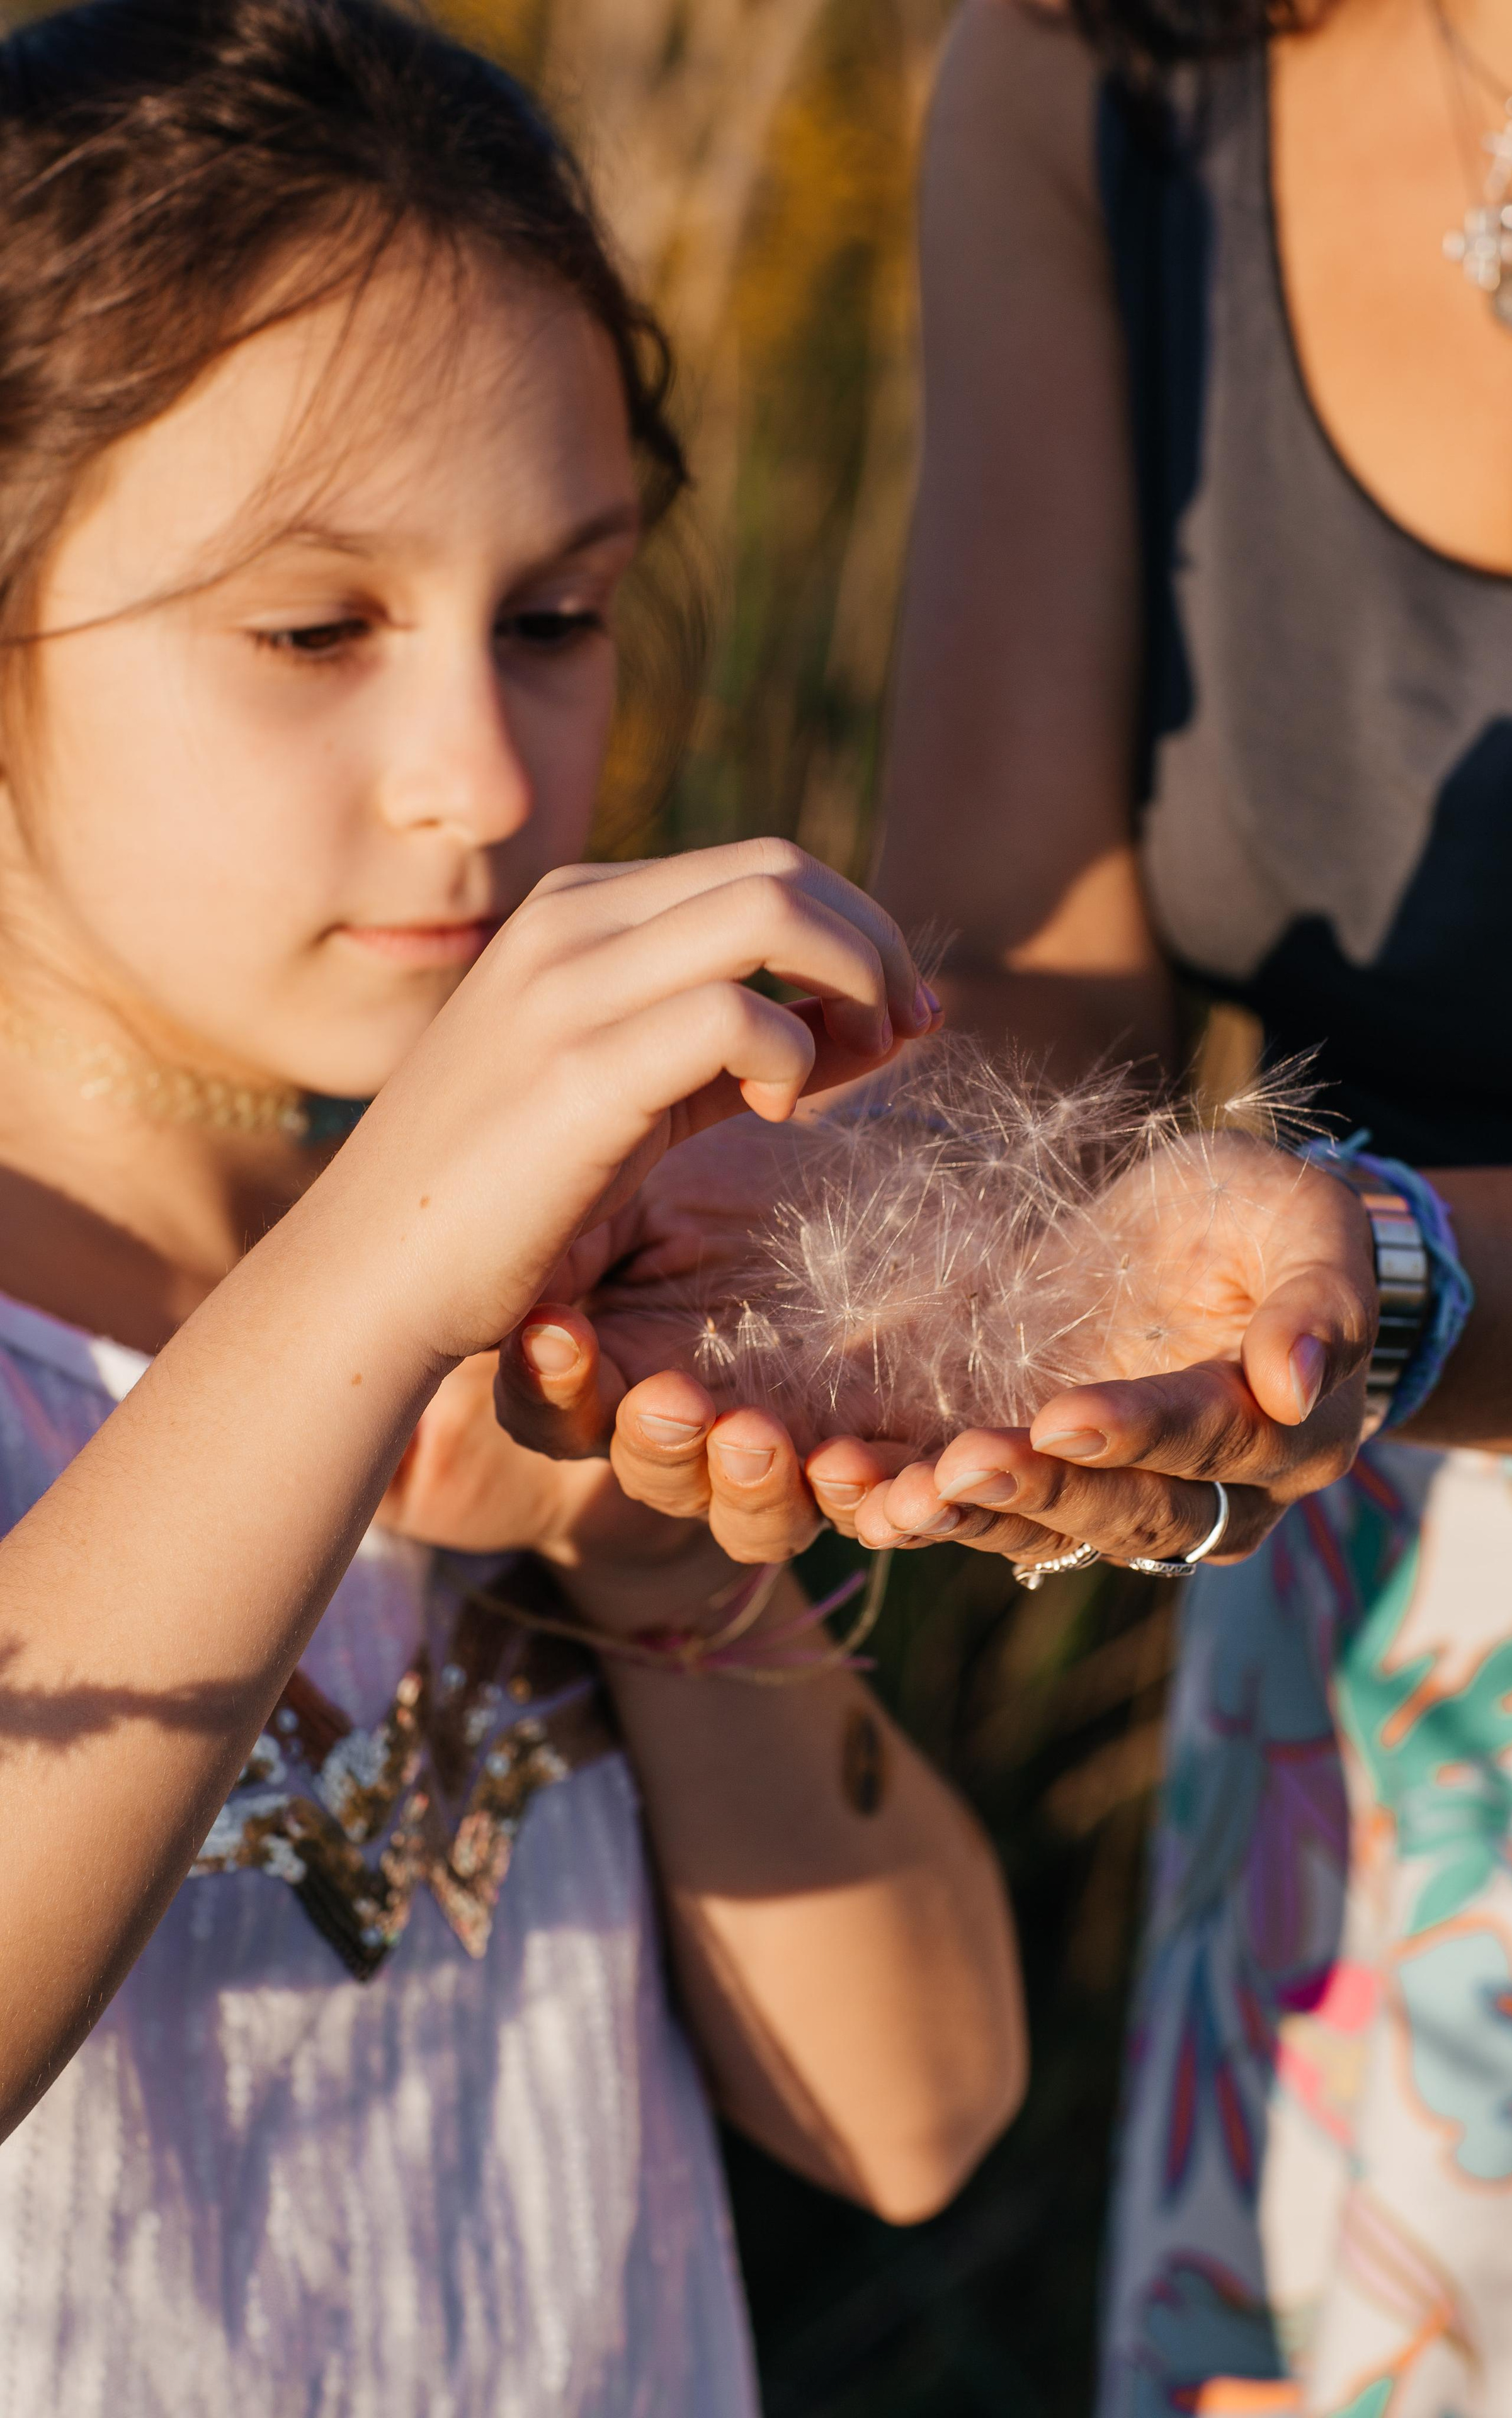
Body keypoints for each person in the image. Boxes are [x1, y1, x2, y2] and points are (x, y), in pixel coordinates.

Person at [0, 3, 1028, 2409]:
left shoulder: (544, 1299)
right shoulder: (397, 1268)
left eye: (556, 621)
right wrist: (364, 1278)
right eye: (311, 628)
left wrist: (668, 1558)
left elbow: (924, 2111)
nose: (478, 776)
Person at [822, 0, 1512, 2408]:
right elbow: (1021, 1004)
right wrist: (804, 1239)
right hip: (1365, 1670)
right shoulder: (1095, 87)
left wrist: (1388, 1281)